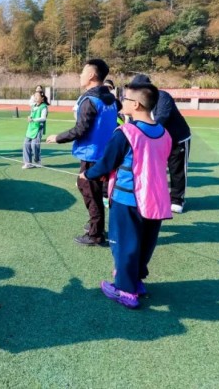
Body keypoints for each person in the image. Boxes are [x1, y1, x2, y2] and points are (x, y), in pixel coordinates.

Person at [79, 81, 172, 309]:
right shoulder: (164, 133)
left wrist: (87, 174)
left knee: (124, 245)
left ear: (137, 104)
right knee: (144, 243)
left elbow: (106, 163)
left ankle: (126, 290)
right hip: (156, 199)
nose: (122, 102)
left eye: (126, 99)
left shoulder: (126, 133)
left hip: (128, 199)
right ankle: (136, 281)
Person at [46, 59, 118, 246]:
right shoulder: (111, 98)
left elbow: (81, 129)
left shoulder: (90, 100)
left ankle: (96, 234)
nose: (80, 75)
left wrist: (58, 137)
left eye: (83, 72)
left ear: (92, 75)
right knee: (93, 190)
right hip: (105, 153)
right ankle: (96, 224)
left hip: (92, 155)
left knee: (90, 192)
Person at [130, 74, 192, 214]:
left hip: (177, 138)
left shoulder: (162, 97)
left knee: (177, 169)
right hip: (158, 139)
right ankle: (156, 196)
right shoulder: (136, 101)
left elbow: (160, 118)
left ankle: (177, 199)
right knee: (154, 168)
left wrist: (142, 134)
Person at [23, 91, 48, 168]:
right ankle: (27, 163)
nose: (35, 97)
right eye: (35, 96)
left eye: (37, 96)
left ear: (42, 98)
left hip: (38, 128)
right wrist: (29, 117)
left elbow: (43, 118)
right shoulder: (33, 106)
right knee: (26, 144)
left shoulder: (44, 107)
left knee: (34, 145)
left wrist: (33, 119)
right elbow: (31, 115)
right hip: (31, 128)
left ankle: (37, 160)